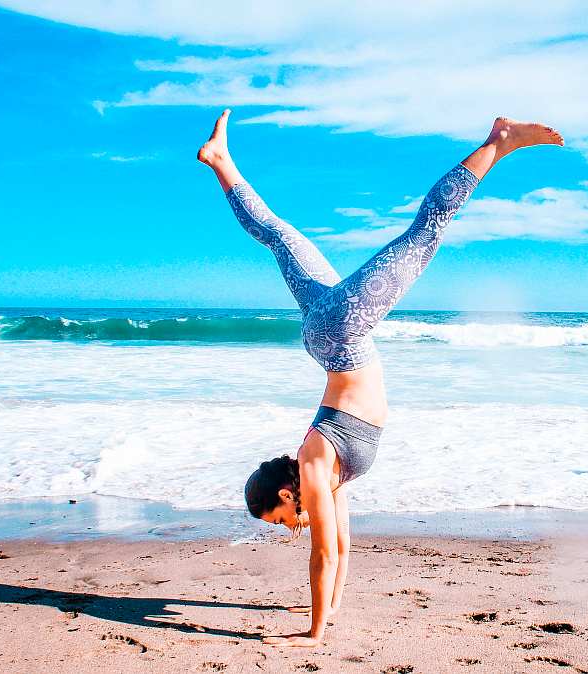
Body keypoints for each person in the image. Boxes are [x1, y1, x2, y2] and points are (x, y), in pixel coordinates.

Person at [197, 109, 563, 646]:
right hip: (332, 332)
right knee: (278, 236)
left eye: (277, 520)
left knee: (424, 234)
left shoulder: (315, 466)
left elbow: (322, 552)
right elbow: (341, 546)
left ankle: (497, 142)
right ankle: (222, 163)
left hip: (341, 331)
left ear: (284, 493)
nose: (284, 528)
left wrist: (313, 633)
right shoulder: (326, 476)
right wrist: (334, 608)